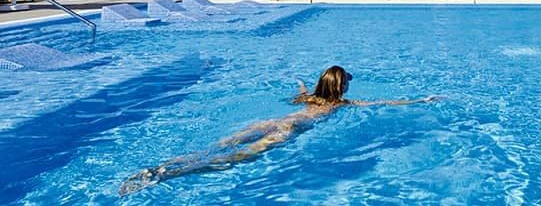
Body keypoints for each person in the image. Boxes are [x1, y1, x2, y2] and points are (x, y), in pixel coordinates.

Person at [119, 65, 441, 196]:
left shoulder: (310, 97)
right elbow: (384, 103)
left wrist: (300, 83)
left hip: (268, 122)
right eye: (347, 82)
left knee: (215, 147)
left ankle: (164, 165)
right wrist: (419, 100)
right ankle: (167, 176)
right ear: (340, 86)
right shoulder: (340, 105)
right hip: (288, 130)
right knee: (236, 159)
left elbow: (301, 89)